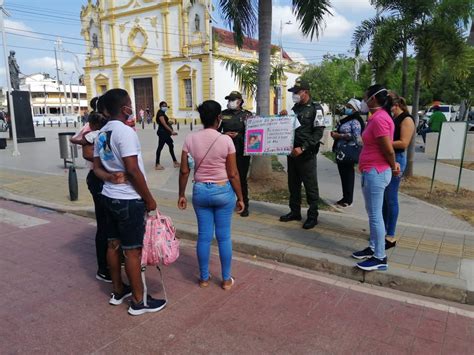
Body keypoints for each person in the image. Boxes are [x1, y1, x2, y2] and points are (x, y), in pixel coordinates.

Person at [93, 88, 166, 315]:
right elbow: (133, 170)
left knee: (113, 245)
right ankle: (138, 300)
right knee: (132, 251)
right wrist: (149, 199)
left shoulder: (101, 133)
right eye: (130, 104)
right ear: (125, 109)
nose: (132, 107)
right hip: (128, 199)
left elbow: (96, 168)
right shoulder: (125, 132)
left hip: (108, 196)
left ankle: (118, 290)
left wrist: (109, 177)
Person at [178, 100, 245, 290]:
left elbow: (184, 171)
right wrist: (240, 197)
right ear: (219, 118)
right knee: (223, 237)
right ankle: (225, 279)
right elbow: (233, 173)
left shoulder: (190, 139)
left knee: (204, 236)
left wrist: (181, 194)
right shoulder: (226, 140)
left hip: (200, 191)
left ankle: (204, 278)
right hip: (223, 191)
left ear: (201, 118)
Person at [351, 85, 400, 271]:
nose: (363, 101)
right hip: (372, 171)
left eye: (364, 97)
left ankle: (380, 257)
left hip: (376, 172)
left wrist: (393, 165)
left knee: (375, 215)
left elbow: (387, 148)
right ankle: (373, 248)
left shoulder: (379, 119)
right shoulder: (377, 117)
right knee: (373, 212)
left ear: (372, 99)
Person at [70, 97, 118, 283]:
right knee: (105, 225)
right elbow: (85, 150)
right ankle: (103, 267)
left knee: (112, 222)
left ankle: (113, 260)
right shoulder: (91, 130)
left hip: (108, 179)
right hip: (99, 179)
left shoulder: (106, 127)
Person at [279, 78, 325, 229]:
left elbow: (318, 133)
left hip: (306, 154)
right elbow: (289, 127)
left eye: (297, 92)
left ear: (305, 92)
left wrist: (303, 148)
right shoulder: (295, 108)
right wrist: (283, 117)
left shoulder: (316, 109)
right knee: (293, 184)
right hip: (292, 152)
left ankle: (312, 216)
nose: (295, 95)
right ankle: (295, 212)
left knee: (310, 186)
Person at [383, 93, 415, 249]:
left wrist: (384, 142)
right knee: (383, 198)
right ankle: (382, 230)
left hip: (397, 159)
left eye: (391, 107)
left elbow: (403, 143)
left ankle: (390, 235)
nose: (390, 110)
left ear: (396, 106)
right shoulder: (394, 118)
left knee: (391, 197)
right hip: (387, 158)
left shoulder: (406, 119)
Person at [220, 91, 252, 217]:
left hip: (241, 152)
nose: (230, 102)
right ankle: (225, 203)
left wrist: (239, 135)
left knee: (241, 179)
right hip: (225, 151)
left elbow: (254, 135)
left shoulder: (247, 115)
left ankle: (243, 204)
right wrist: (224, 134)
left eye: (232, 100)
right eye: (229, 100)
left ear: (239, 101)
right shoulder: (222, 114)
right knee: (224, 178)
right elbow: (215, 130)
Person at [331, 98, 365, 208]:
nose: (347, 109)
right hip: (342, 152)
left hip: (349, 152)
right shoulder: (347, 119)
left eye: (349, 107)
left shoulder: (355, 121)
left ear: (355, 109)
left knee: (348, 175)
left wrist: (339, 136)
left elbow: (357, 137)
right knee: (343, 175)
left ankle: (348, 199)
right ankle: (345, 196)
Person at [155, 101, 179, 170]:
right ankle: (157, 164)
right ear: (160, 106)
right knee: (160, 147)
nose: (165, 107)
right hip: (163, 133)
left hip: (164, 133)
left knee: (171, 145)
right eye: (163, 106)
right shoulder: (160, 114)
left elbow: (165, 122)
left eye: (166, 106)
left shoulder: (162, 113)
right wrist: (172, 131)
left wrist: (169, 122)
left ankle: (175, 162)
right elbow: (164, 124)